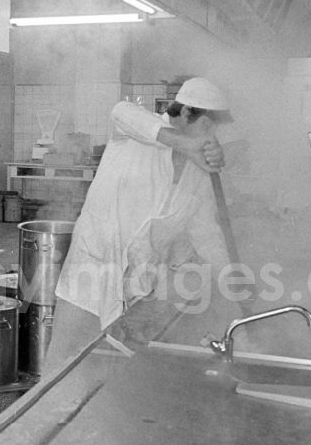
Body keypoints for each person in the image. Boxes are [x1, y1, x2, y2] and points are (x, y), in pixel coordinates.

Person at [41, 78, 232, 376]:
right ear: (183, 114)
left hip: (137, 289)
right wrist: (185, 142)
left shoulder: (197, 172)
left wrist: (231, 278)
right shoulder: (136, 134)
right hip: (90, 274)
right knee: (63, 363)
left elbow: (206, 232)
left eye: (215, 129)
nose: (211, 136)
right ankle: (42, 418)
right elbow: (121, 111)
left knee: (111, 369)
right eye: (207, 126)